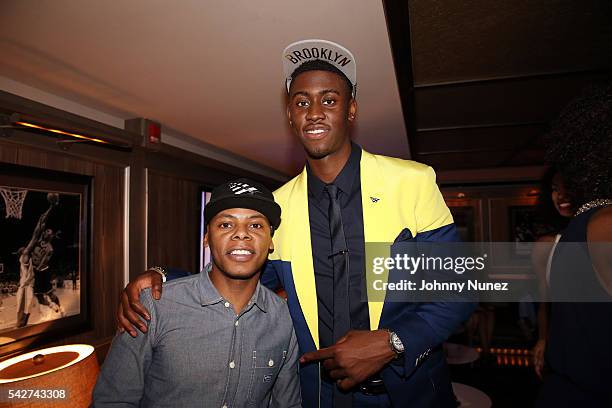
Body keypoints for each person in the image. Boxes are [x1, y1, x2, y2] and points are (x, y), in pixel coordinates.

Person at [117, 39, 475, 407]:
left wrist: (391, 342)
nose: (314, 112)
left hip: (409, 393)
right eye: (302, 102)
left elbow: (460, 287)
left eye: (329, 100)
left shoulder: (411, 181)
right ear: (290, 116)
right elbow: (236, 280)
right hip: (320, 395)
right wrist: (162, 276)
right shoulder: (277, 207)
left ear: (351, 110)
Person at [93, 178, 301, 407]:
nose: (241, 234)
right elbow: (112, 401)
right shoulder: (154, 306)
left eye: (255, 225)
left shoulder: (285, 319)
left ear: (271, 241)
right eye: (225, 224)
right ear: (206, 238)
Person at [535, 80, 612, 407]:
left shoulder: (590, 223)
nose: (558, 196)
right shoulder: (604, 223)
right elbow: (548, 302)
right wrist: (544, 337)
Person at [530, 168, 573, 378]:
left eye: (567, 187)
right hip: (563, 338)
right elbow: (544, 300)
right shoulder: (546, 245)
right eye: (555, 189)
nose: (560, 195)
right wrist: (542, 338)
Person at [15, 204, 55, 328]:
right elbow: (39, 225)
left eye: (49, 231)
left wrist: (50, 208)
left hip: (39, 275)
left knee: (32, 304)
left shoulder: (48, 248)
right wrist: (51, 208)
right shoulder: (26, 255)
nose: (47, 231)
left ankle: (21, 324)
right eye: (47, 230)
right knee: (25, 307)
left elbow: (40, 224)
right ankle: (21, 324)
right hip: (27, 283)